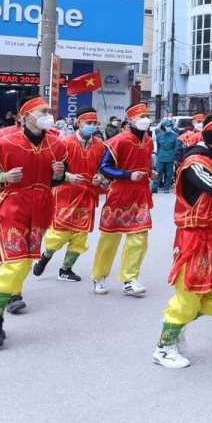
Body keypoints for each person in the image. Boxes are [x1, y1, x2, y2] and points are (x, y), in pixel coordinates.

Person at [152, 115, 212, 368]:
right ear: (211, 137)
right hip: (193, 238)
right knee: (189, 297)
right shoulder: (194, 162)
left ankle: (176, 327)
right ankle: (163, 348)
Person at [0, 98, 66, 348]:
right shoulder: (4, 141)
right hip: (11, 204)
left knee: (24, 263)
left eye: (49, 111)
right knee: (14, 263)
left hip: (41, 206)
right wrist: (2, 176)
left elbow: (55, 181)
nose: (48, 114)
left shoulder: (56, 145)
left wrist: (58, 174)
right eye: (43, 111)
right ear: (25, 116)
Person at [33, 108, 108, 282]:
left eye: (94, 123)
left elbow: (102, 167)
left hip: (87, 193)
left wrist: (100, 177)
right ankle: (46, 255)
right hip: (65, 192)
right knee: (59, 234)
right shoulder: (64, 142)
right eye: (88, 123)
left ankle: (66, 269)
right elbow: (51, 166)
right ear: (78, 123)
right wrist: (68, 176)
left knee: (80, 236)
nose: (91, 126)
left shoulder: (100, 145)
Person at [92, 104, 156, 296]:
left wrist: (150, 172)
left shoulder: (149, 141)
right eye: (142, 115)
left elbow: (145, 164)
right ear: (131, 119)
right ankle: (99, 276)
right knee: (110, 238)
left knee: (139, 238)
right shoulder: (117, 141)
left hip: (141, 195)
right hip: (119, 194)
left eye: (147, 115)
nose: (146, 118)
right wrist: (128, 175)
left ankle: (129, 279)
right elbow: (104, 167)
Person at [152, 119, 178, 194]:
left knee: (169, 174)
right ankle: (154, 188)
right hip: (161, 157)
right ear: (164, 127)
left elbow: (175, 147)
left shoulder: (174, 136)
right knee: (158, 173)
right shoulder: (159, 136)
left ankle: (166, 188)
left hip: (170, 157)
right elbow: (158, 146)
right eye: (167, 126)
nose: (169, 127)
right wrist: (159, 155)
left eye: (170, 126)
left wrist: (174, 157)